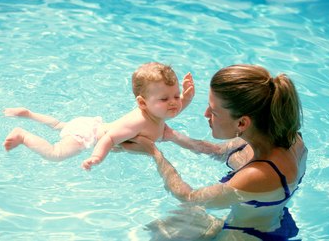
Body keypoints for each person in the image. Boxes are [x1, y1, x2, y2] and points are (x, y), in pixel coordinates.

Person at [123, 64, 307, 240]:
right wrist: (171, 135)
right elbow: (219, 151)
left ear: (242, 123)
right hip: (265, 217)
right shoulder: (276, 134)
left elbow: (190, 198)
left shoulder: (257, 174)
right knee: (162, 229)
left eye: (214, 111)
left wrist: (154, 153)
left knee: (159, 231)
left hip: (247, 236)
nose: (205, 114)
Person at [3, 62, 195, 170]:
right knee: (56, 154)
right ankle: (23, 136)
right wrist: (97, 157)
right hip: (89, 135)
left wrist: (187, 98)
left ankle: (29, 114)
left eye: (176, 96)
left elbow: (174, 110)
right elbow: (109, 138)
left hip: (87, 124)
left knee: (60, 125)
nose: (173, 103)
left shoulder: (157, 112)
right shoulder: (138, 122)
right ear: (142, 103)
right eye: (165, 99)